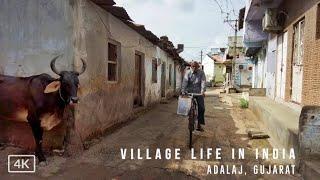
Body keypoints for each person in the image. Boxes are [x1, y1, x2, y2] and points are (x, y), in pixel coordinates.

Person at [181, 61, 206, 131]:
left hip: (198, 93)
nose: (194, 68)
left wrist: (202, 91)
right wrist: (183, 91)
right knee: (187, 107)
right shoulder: (188, 72)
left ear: (198, 67)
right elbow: (185, 82)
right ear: (191, 67)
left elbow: (203, 81)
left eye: (196, 67)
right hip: (189, 92)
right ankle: (190, 119)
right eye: (193, 67)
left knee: (202, 108)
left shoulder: (201, 72)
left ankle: (199, 125)